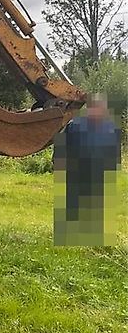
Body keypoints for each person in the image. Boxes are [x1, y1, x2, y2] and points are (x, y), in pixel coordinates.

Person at [53, 94, 121, 246]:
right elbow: (62, 145)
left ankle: (95, 233)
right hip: (76, 169)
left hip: (98, 170)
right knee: (74, 200)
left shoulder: (109, 128)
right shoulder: (74, 125)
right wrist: (58, 163)